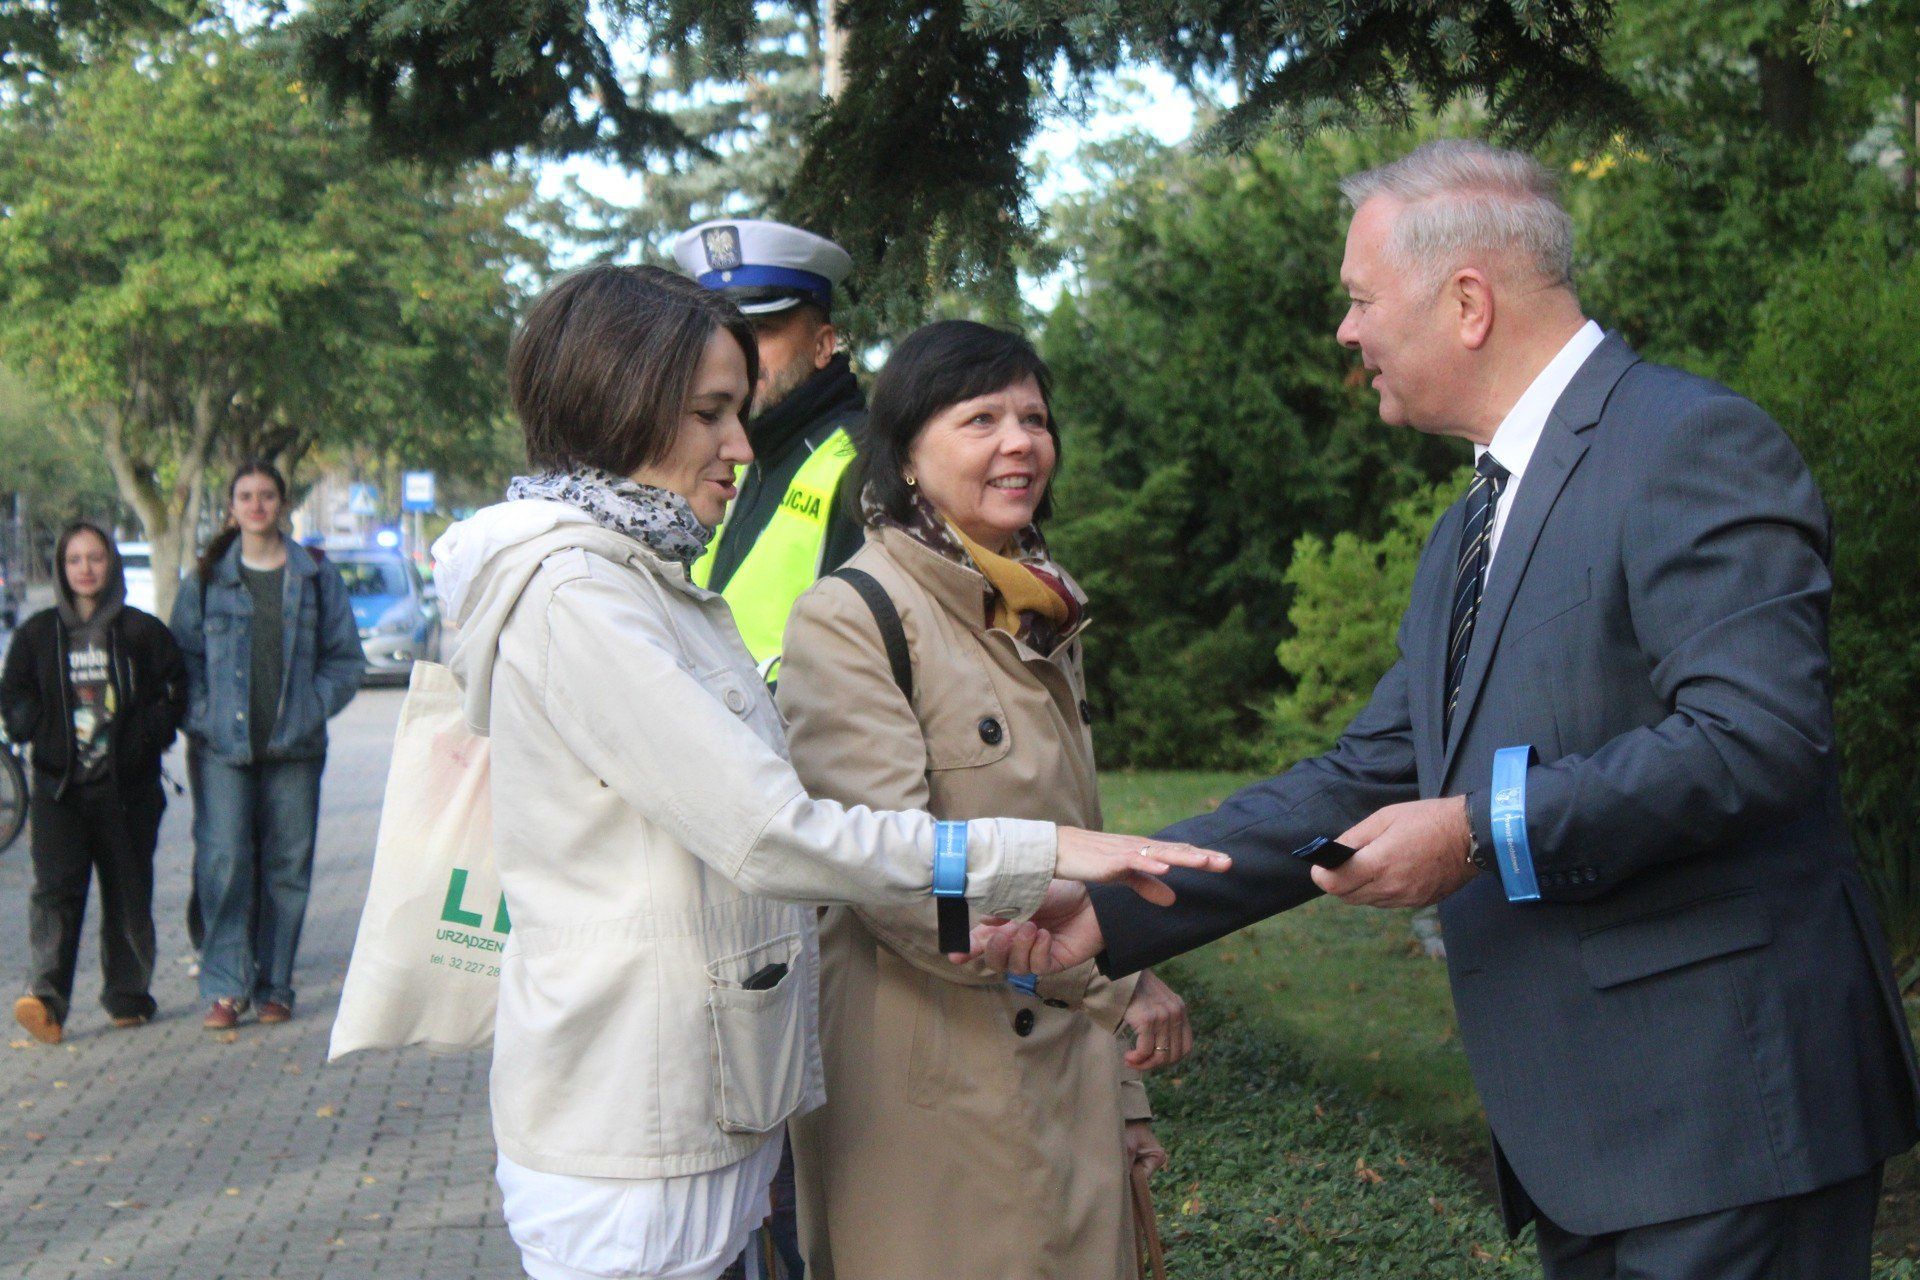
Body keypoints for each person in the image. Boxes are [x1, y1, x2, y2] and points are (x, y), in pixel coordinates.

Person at [975, 139, 1920, 1279]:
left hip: (1728, 1121)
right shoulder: (1470, 525)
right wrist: (1118, 905)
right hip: (1599, 1135)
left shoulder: (1688, 444)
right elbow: (1369, 769)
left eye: (1361, 300)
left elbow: (1754, 739)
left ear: (1466, 302)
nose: (1347, 331)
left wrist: (1479, 829)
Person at [425, 263, 1226, 1280]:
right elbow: (777, 831)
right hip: (641, 1114)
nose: (741, 447)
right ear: (621, 402)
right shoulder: (580, 593)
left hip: (706, 1092)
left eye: (1033, 417)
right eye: (711, 411)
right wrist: (1055, 858)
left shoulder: (654, 581)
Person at [776, 320, 1188, 1279]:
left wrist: (1127, 1103)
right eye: (981, 418)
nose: (1020, 443)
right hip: (932, 1091)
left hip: (1062, 1068)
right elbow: (894, 882)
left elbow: (1076, 844)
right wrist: (1117, 979)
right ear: (909, 455)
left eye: (1034, 418)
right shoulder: (854, 616)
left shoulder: (1038, 607)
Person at [170, 461, 364, 1031]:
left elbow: (345, 659)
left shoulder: (315, 576)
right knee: (224, 861)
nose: (257, 505)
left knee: (286, 869)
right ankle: (226, 987)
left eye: (267, 496)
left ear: (281, 504)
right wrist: (202, 717)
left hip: (294, 752)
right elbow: (182, 662)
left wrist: (310, 706)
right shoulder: (205, 578)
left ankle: (276, 983)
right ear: (232, 507)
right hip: (221, 751)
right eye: (246, 496)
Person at [1, 521, 186, 1043]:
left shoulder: (141, 632)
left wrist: (150, 735)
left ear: (112, 565)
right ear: (62, 568)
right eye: (75, 559)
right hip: (60, 792)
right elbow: (12, 693)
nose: (86, 569)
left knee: (129, 894)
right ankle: (46, 1003)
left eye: (96, 558)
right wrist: (35, 727)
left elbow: (174, 689)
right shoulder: (37, 634)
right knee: (55, 896)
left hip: (129, 793)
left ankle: (128, 997)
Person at [673, 218, 867, 679]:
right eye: (722, 335)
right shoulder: (720, 452)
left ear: (823, 345)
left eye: (760, 331)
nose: (738, 355)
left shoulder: (869, 460)